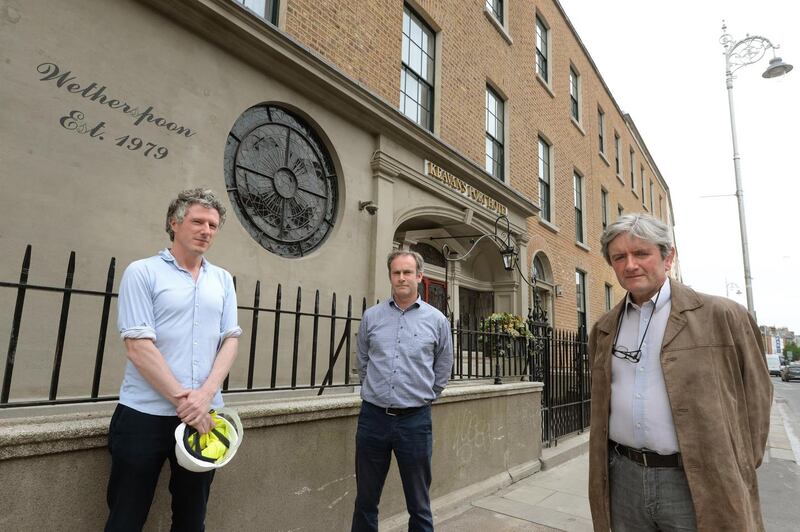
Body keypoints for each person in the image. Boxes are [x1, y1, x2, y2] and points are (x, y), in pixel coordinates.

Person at [588, 213, 773, 531]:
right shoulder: (604, 328)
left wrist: (740, 461)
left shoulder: (722, 316)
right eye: (620, 257)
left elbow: (757, 395)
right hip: (624, 480)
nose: (630, 265)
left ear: (667, 256)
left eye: (641, 253)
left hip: (695, 480)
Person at [105, 188, 242, 532]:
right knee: (125, 517)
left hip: (204, 417)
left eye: (213, 225)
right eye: (198, 221)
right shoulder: (143, 272)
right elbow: (137, 345)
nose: (206, 230)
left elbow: (230, 340)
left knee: (192, 518)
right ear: (174, 223)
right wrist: (186, 400)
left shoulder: (222, 279)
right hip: (144, 416)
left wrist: (205, 396)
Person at [351, 250, 453, 532]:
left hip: (415, 421)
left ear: (419, 276)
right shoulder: (372, 317)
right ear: (390, 277)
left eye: (408, 272)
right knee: (366, 500)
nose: (402, 278)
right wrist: (375, 389)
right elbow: (363, 362)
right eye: (396, 273)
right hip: (373, 419)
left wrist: (423, 395)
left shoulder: (437, 321)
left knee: (419, 503)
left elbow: (443, 369)